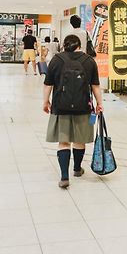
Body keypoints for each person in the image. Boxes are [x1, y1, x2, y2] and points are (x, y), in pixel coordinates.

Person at [43, 34, 103, 188]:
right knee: (79, 139)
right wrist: (99, 103)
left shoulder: (56, 60)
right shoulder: (89, 61)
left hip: (60, 106)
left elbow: (48, 84)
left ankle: (64, 177)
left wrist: (45, 101)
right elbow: (95, 85)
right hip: (83, 107)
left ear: (64, 45)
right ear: (79, 45)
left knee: (63, 142)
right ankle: (77, 168)